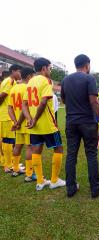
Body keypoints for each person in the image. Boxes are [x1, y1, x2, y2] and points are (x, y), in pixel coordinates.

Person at [61, 54, 99, 198]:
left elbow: (64, 99)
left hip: (71, 122)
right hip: (88, 122)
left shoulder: (65, 80)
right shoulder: (89, 78)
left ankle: (71, 188)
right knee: (91, 154)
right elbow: (94, 102)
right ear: (87, 65)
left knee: (71, 154)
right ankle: (95, 188)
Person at [22, 58, 65, 191]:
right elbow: (43, 101)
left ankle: (40, 181)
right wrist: (34, 119)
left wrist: (29, 118)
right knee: (58, 149)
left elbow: (24, 104)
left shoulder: (29, 83)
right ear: (44, 68)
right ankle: (54, 180)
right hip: (48, 125)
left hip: (35, 127)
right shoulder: (46, 81)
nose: (50, 71)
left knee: (37, 151)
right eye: (50, 68)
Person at [8, 67, 36, 181]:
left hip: (18, 124)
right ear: (29, 76)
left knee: (18, 145)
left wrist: (15, 122)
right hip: (26, 123)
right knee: (29, 147)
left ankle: (15, 169)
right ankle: (29, 173)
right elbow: (26, 108)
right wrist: (19, 122)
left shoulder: (14, 89)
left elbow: (9, 108)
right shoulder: (28, 88)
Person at [0, 65, 22, 173]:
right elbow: (2, 95)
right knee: (8, 140)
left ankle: (7, 162)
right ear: (13, 71)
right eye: (19, 71)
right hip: (6, 116)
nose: (20, 74)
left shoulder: (7, 80)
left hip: (4, 115)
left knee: (6, 140)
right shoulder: (9, 81)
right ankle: (8, 165)